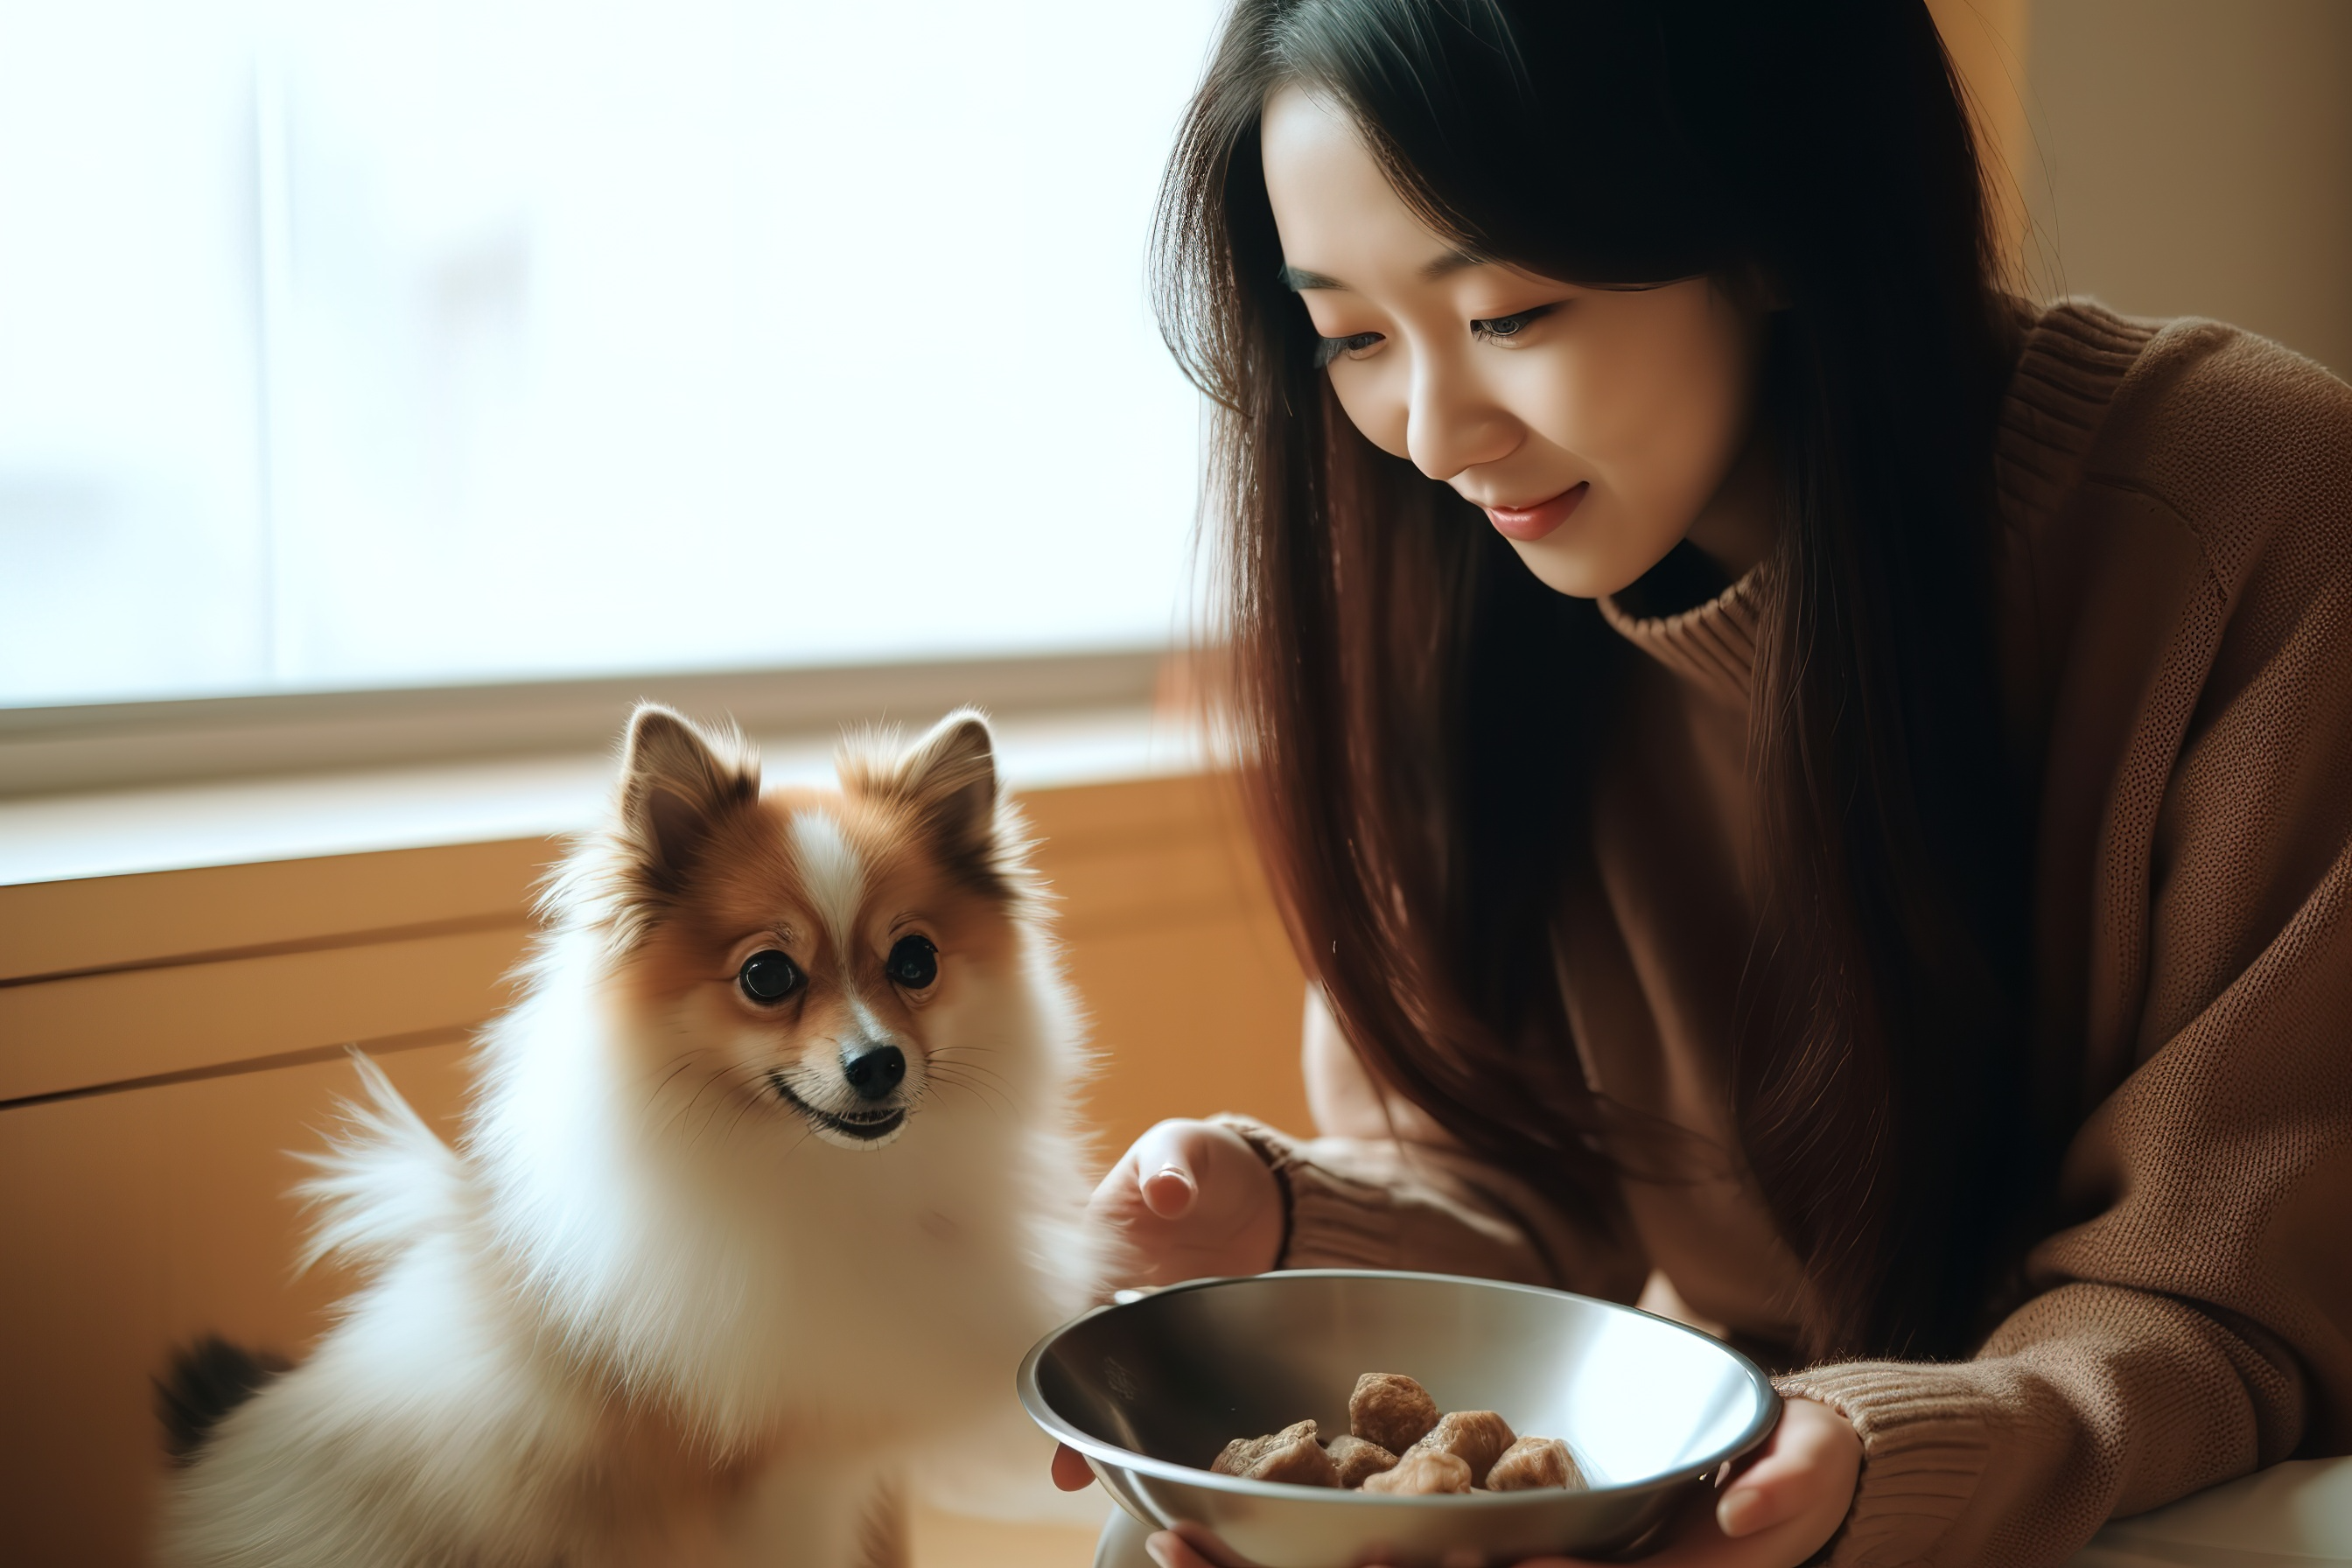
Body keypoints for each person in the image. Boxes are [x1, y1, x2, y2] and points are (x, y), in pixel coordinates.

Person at [1046, 2, 2352, 1564]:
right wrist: (1283, 1229)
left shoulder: (2254, 528)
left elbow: (2237, 1300)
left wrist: (1886, 1457)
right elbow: (1519, 1187)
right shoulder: (1452, 578)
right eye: (1349, 338)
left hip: (2215, 1474)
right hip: (1780, 1458)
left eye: (1512, 313)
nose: (1435, 434)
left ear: (1776, 220)